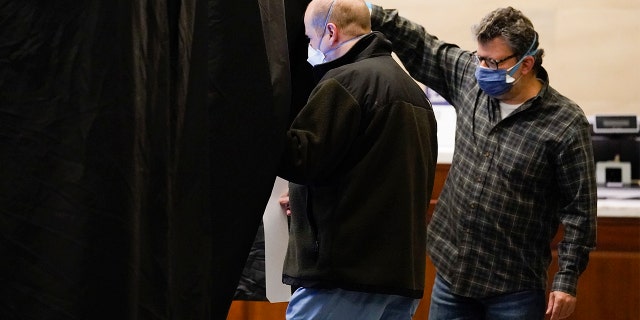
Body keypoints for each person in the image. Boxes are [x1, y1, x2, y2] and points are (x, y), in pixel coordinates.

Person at [368, 4, 597, 320]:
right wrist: (369, 10)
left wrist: (567, 279)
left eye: (493, 62)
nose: (483, 68)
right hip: (453, 273)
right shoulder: (469, 78)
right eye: (480, 58)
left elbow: (580, 211)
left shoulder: (566, 124)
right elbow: (421, 45)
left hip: (514, 287)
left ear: (526, 63)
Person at [277, 0, 438, 318]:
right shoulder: (414, 92)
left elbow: (300, 160)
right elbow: (371, 176)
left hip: (344, 277)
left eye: (311, 38)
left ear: (330, 32)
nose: (310, 47)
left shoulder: (345, 82)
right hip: (400, 277)